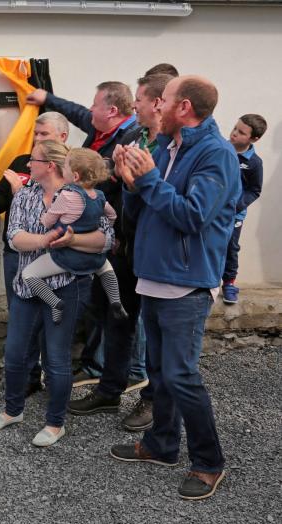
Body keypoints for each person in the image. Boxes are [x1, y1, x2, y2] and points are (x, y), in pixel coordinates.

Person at [111, 75, 240, 500]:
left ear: (183, 108)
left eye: (161, 101)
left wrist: (147, 181)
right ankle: (161, 446)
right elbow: (146, 211)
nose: (152, 108)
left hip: (185, 282)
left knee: (183, 377)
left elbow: (192, 216)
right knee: (160, 373)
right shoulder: (166, 147)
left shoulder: (215, 153)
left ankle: (208, 463)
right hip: (153, 275)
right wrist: (131, 182)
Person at [0, 140, 113, 447]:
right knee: (15, 354)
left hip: (67, 289)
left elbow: (105, 238)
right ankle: (12, 410)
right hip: (26, 288)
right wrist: (48, 240)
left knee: (56, 359)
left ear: (50, 166)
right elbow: (14, 237)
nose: (28, 165)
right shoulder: (25, 195)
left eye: (34, 161)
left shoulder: (82, 197)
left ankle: (55, 423)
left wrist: (70, 242)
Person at [27, 82, 145, 404]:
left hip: (118, 241)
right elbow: (80, 113)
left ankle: (135, 370)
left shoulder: (131, 138)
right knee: (105, 303)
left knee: (125, 309)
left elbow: (117, 193)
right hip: (104, 241)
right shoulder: (103, 133)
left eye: (95, 105)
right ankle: (99, 368)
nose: (89, 110)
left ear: (111, 111)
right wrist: (47, 98)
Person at [69, 72, 174, 430]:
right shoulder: (132, 136)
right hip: (123, 245)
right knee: (116, 318)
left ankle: (152, 402)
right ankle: (109, 390)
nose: (135, 106)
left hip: (159, 251)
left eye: (141, 99)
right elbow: (114, 185)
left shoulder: (176, 146)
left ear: (158, 103)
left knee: (158, 332)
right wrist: (112, 172)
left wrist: (134, 178)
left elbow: (167, 198)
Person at [0, 111, 70, 397]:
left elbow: (66, 212)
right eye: (36, 134)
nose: (37, 140)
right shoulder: (21, 163)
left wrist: (22, 194)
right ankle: (27, 379)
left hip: (53, 259)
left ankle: (55, 383)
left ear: (63, 138)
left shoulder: (73, 168)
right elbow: (5, 200)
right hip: (16, 256)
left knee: (52, 321)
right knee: (22, 320)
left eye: (44, 135)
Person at [22, 147, 126, 324]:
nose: (64, 169)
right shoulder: (99, 196)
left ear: (75, 176)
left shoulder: (67, 196)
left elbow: (48, 221)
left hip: (68, 257)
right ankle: (115, 300)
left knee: (28, 275)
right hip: (94, 256)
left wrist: (42, 217)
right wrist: (105, 228)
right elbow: (112, 215)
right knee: (106, 268)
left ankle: (55, 303)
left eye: (67, 166)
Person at [222, 113, 266, 304]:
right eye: (234, 128)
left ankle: (229, 283)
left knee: (231, 247)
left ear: (254, 138)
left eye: (241, 133)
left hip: (234, 215)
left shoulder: (254, 163)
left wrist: (236, 205)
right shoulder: (219, 150)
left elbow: (254, 190)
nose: (234, 134)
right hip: (211, 211)